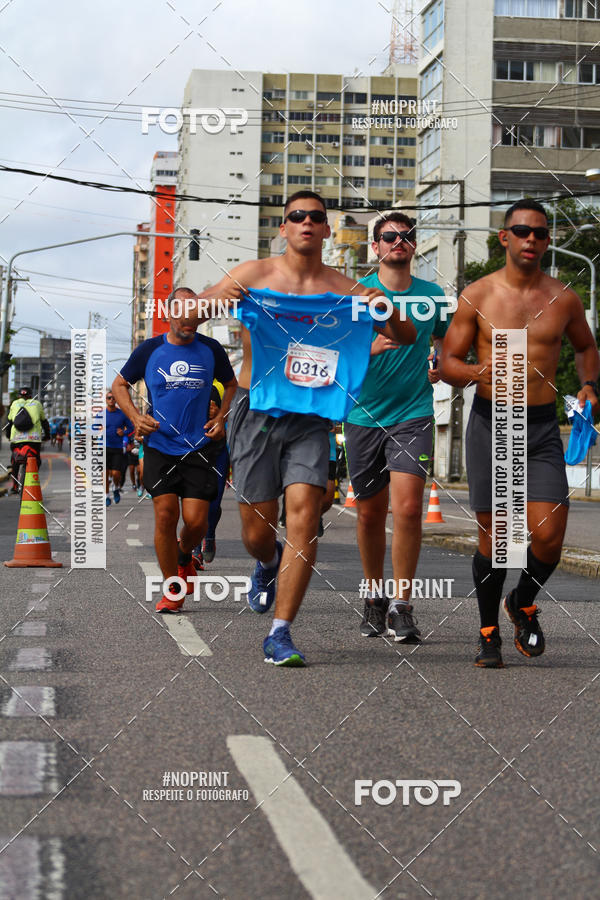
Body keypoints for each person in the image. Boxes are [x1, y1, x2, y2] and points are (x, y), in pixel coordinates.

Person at [198, 190, 416, 666]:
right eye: (297, 216)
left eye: (316, 217)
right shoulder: (254, 275)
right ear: (284, 227)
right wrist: (218, 299)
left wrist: (389, 309)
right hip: (255, 408)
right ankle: (267, 561)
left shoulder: (345, 290)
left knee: (303, 517)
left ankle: (281, 633)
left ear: (326, 230)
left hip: (312, 417)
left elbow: (405, 336)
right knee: (256, 529)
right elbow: (188, 314)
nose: (307, 223)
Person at [441, 199, 599, 668]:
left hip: (542, 426)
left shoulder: (564, 297)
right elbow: (448, 362)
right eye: (523, 231)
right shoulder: (479, 295)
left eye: (541, 233)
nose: (532, 240)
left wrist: (589, 384)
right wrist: (474, 372)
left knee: (549, 535)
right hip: (493, 423)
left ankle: (522, 602)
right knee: (495, 537)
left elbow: (587, 347)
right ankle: (488, 633)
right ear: (504, 238)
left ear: (548, 241)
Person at [344, 212, 449, 643]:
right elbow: (336, 353)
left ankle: (403, 606)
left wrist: (440, 360)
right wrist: (371, 347)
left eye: (407, 236)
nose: (399, 242)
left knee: (407, 509)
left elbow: (445, 337)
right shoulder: (357, 295)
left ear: (414, 245)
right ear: (376, 246)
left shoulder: (433, 295)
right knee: (370, 513)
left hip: (413, 413)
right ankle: (374, 598)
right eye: (390, 237)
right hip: (363, 414)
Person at [111, 287, 237, 614]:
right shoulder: (150, 350)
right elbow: (119, 384)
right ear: (169, 314)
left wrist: (222, 417)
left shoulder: (211, 349)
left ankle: (185, 555)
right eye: (183, 313)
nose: (189, 320)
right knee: (166, 514)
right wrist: (136, 417)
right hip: (160, 446)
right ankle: (173, 588)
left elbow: (233, 384)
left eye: (195, 314)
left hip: (200, 448)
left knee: (195, 522)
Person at [5, 387, 50, 494]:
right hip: (33, 440)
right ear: (30, 396)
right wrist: (47, 436)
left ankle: (15, 486)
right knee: (36, 460)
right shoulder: (37, 404)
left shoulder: (14, 404)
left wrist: (8, 435)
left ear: (19, 396)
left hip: (16, 439)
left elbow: (9, 422)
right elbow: (44, 422)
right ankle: (32, 481)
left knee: (14, 461)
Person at [104, 391, 133, 506]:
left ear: (116, 400)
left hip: (117, 448)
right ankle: (106, 496)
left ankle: (116, 488)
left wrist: (124, 432)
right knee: (105, 474)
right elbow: (94, 428)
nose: (111, 399)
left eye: (113, 398)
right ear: (106, 400)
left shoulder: (122, 414)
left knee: (116, 473)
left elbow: (131, 428)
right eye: (109, 398)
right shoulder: (101, 414)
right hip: (104, 447)